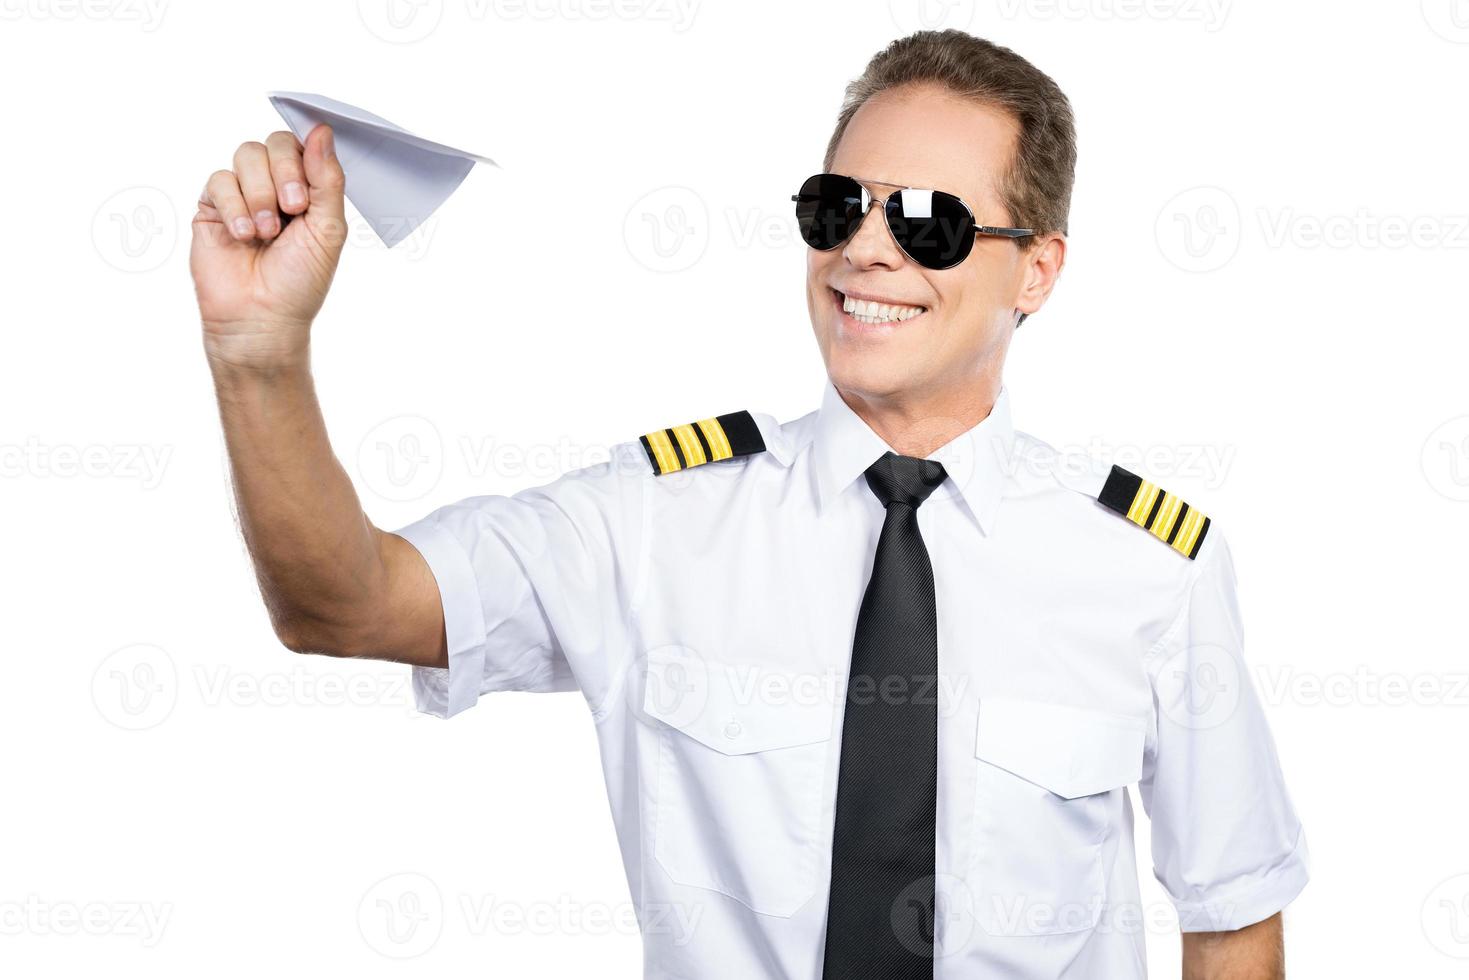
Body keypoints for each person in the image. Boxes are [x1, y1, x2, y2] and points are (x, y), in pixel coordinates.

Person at [190, 29, 1307, 980]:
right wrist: (259, 353)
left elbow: (1230, 911)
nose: (863, 249)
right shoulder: (654, 523)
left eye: (926, 222)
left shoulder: (1150, 565)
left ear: (1036, 269)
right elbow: (342, 604)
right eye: (836, 208)